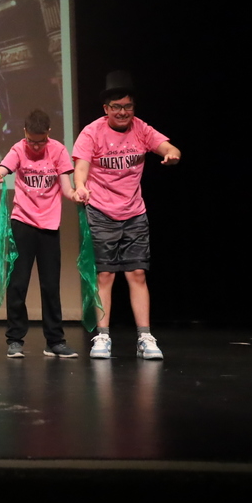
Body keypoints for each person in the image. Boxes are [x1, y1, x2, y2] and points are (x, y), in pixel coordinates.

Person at [73, 83, 180, 360]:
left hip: (134, 212)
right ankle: (102, 336)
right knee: (105, 275)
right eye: (116, 107)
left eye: (127, 106)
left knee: (137, 273)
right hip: (101, 211)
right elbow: (81, 167)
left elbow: (168, 146)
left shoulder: (141, 128)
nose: (122, 112)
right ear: (106, 109)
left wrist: (171, 154)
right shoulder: (92, 132)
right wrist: (80, 186)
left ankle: (145, 337)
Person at [0, 109, 77, 359]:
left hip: (49, 225)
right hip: (22, 223)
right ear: (25, 132)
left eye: (41, 141)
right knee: (18, 284)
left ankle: (55, 341)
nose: (36, 147)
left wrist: (76, 195)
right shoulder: (19, 148)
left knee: (50, 285)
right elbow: (4, 168)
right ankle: (15, 339)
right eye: (31, 141)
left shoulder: (58, 150)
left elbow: (67, 188)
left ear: (48, 133)